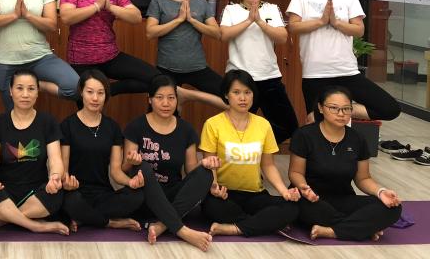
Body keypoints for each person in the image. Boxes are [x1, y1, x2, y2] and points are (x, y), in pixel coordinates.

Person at [286, 0, 400, 122]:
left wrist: (336, 22)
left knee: (389, 108)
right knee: (315, 121)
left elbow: (359, 30)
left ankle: (340, 109)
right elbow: (293, 27)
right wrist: (321, 21)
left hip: (346, 70)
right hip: (315, 72)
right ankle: (330, 114)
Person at [288, 86, 401, 241]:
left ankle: (331, 231)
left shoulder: (357, 138)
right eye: (334, 108)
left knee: (392, 207)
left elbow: (363, 179)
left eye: (346, 109)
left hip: (343, 199)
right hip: (311, 199)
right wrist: (303, 187)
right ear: (321, 108)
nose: (341, 114)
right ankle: (362, 228)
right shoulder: (304, 135)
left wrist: (381, 192)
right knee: (299, 207)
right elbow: (295, 172)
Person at [199, 69, 300, 237]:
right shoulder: (213, 124)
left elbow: (268, 165)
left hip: (255, 195)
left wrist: (284, 191)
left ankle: (234, 228)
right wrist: (214, 187)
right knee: (211, 207)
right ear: (226, 95)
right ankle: (264, 223)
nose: (243, 98)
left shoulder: (263, 125)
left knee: (291, 207)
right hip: (225, 194)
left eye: (247, 92)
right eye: (236, 92)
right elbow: (210, 164)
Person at [122, 75, 215, 251]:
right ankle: (183, 231)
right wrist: (131, 161)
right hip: (144, 197)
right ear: (150, 99)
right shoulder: (136, 126)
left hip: (173, 198)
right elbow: (125, 169)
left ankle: (162, 225)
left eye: (171, 98)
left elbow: (191, 170)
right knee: (142, 166)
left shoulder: (186, 129)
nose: (166, 103)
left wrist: (206, 163)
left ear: (177, 100)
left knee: (205, 173)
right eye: (159, 97)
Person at [59, 0, 159, 97]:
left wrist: (110, 7)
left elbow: (136, 17)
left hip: (111, 56)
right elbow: (66, 17)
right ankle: (98, 93)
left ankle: (108, 91)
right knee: (89, 103)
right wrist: (96, 6)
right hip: (81, 60)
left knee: (156, 79)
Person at [0, 70, 70, 235]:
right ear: (11, 91)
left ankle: (4, 219)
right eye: (19, 88)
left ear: (37, 92)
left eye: (31, 89)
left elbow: (56, 160)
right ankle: (36, 226)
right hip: (4, 189)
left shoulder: (48, 121)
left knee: (56, 193)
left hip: (36, 191)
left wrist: (55, 177)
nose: (25, 94)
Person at [59, 69, 145, 233]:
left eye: (100, 93)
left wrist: (130, 182)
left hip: (103, 194)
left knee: (137, 195)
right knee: (69, 201)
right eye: (90, 92)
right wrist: (66, 182)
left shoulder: (112, 127)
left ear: (106, 96)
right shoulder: (67, 125)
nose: (95, 98)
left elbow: (115, 172)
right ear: (81, 92)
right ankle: (110, 222)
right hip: (75, 192)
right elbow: (64, 169)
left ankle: (85, 218)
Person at [220, 0, 298, 143]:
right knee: (237, 128)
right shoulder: (231, 10)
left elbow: (282, 37)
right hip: (240, 78)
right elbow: (224, 35)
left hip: (269, 76)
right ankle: (243, 156)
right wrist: (249, 20)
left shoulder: (272, 9)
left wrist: (260, 22)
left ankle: (258, 149)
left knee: (288, 127)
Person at [145, 0, 226, 109]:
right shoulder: (159, 0)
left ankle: (188, 95)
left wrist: (192, 20)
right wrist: (178, 19)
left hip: (197, 66)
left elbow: (216, 33)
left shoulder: (200, 1)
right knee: (159, 110)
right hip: (166, 68)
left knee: (229, 97)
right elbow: (150, 32)